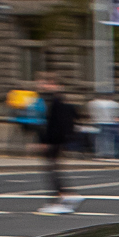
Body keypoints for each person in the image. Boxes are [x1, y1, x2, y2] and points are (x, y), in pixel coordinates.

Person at [35, 75, 81, 215]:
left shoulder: (53, 101)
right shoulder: (56, 100)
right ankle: (65, 196)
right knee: (53, 168)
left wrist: (45, 141)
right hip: (57, 140)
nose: (40, 85)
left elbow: (51, 123)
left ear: (52, 84)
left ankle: (62, 198)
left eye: (43, 83)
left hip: (54, 140)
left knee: (52, 169)